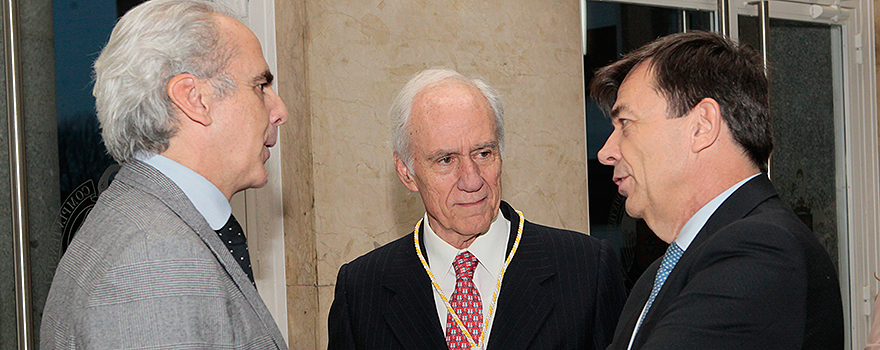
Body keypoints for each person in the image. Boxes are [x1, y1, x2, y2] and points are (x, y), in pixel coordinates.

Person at [40, 0, 289, 348]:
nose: (279, 111)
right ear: (194, 98)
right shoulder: (154, 259)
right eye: (259, 86)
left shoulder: (146, 224)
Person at [327, 68, 626, 350]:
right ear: (406, 172)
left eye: (483, 153)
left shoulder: (586, 269)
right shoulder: (361, 289)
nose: (472, 180)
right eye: (446, 160)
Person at [590, 31, 843, 349]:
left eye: (625, 122)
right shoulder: (660, 274)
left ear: (702, 126)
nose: (605, 152)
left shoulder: (761, 248)